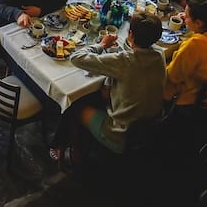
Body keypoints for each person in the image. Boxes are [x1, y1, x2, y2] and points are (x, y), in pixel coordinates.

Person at [51, 13, 165, 162]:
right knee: (100, 94)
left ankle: (75, 153)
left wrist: (102, 45)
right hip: (150, 127)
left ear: (130, 34)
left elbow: (76, 58)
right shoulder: (160, 54)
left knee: (74, 105)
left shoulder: (125, 61)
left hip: (121, 134)